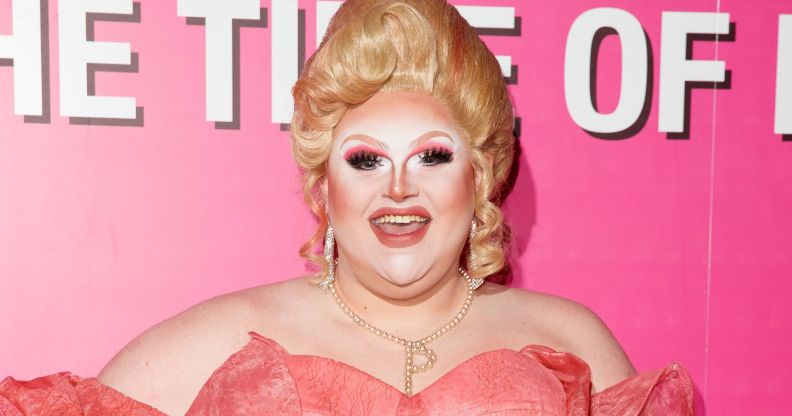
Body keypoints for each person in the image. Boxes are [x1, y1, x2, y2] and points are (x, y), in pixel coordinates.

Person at [0, 0, 694, 414]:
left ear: (481, 178)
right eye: (365, 160)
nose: (398, 188)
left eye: (431, 157)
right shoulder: (224, 338)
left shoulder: (567, 340)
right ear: (323, 187)